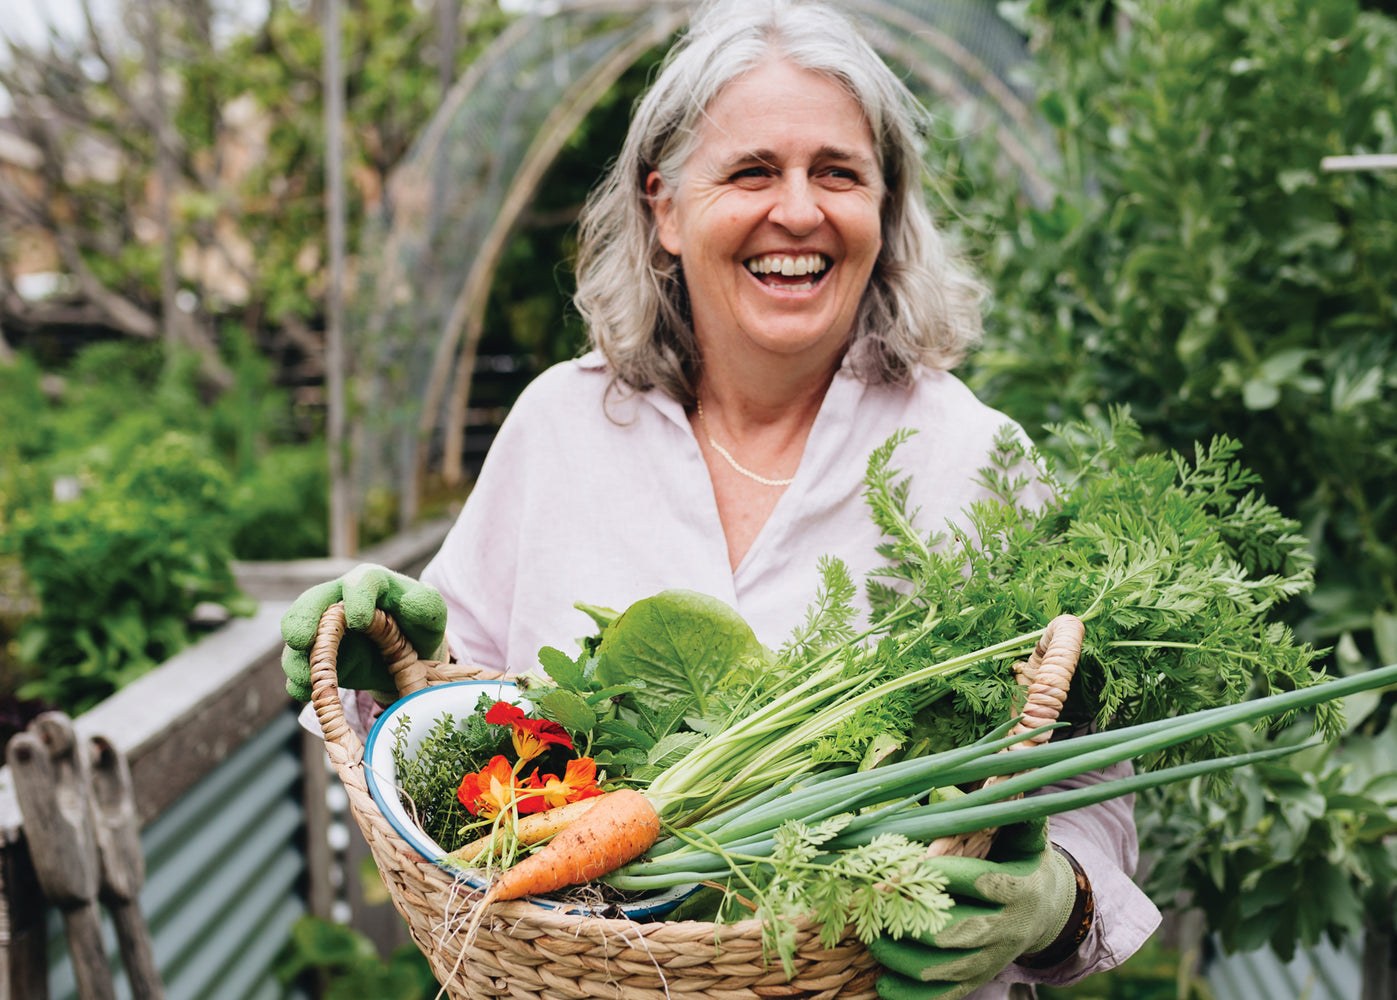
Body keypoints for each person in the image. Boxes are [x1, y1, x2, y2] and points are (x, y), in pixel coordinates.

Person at [281, 2, 1160, 996]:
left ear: (886, 208)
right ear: (663, 205)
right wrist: (389, 665)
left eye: (838, 173)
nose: (798, 212)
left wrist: (1053, 899)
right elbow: (447, 744)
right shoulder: (558, 433)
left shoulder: (974, 462)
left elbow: (1090, 794)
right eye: (751, 171)